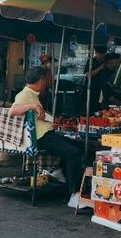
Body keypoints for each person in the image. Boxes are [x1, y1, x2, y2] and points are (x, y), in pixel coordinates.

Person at [9, 66, 83, 207]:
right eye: (46, 80)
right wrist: (34, 106)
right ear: (42, 81)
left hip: (46, 133)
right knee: (74, 153)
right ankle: (74, 194)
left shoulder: (33, 94)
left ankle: (57, 171)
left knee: (77, 144)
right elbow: (13, 110)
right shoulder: (25, 94)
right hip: (41, 138)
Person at [81, 46, 107, 114]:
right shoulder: (90, 61)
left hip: (101, 91)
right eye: (100, 54)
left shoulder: (104, 62)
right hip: (91, 90)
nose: (102, 56)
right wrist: (100, 68)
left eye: (103, 54)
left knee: (99, 110)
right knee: (90, 109)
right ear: (96, 53)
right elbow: (88, 75)